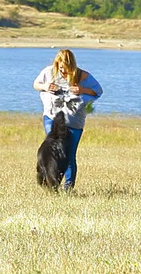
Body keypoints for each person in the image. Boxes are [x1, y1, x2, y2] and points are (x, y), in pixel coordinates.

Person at [33, 49, 103, 190]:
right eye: (60, 69)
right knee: (52, 150)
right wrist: (46, 86)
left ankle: (68, 187)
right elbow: (36, 84)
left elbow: (98, 91)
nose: (63, 73)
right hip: (52, 118)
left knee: (69, 154)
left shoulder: (83, 76)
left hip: (74, 122)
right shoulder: (48, 72)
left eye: (66, 69)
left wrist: (82, 90)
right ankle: (52, 183)